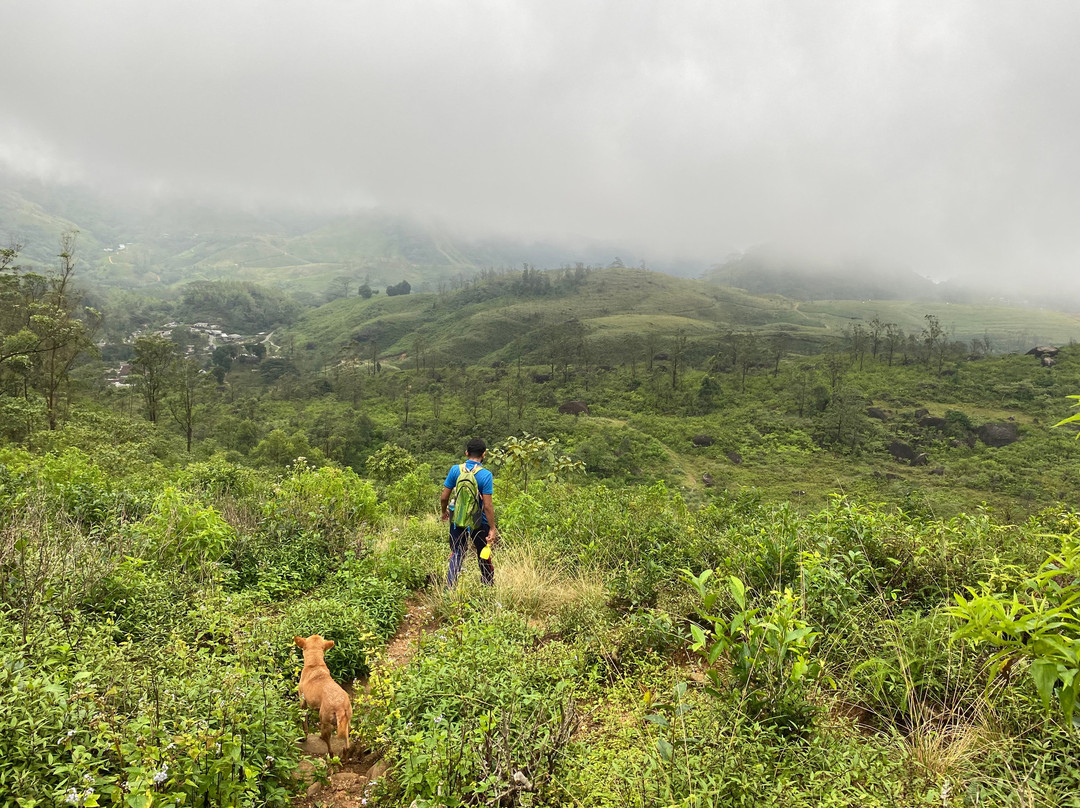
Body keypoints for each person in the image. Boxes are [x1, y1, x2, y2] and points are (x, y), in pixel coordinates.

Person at [440, 437, 499, 586]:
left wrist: (444, 512)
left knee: (458, 553)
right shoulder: (486, 475)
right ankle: (488, 586)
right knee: (483, 554)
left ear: (466, 453)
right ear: (484, 454)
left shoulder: (455, 470)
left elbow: (444, 497)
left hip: (457, 519)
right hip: (479, 521)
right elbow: (487, 506)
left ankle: (450, 589)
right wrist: (492, 528)